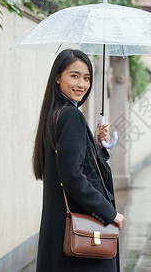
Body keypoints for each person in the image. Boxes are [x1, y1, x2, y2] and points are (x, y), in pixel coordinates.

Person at [32, 49, 125, 271]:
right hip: (80, 236)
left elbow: (71, 164)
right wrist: (110, 214)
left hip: (59, 232)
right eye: (74, 76)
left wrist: (94, 145)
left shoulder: (55, 114)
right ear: (57, 77)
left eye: (86, 78)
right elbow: (73, 176)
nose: (81, 84)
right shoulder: (71, 116)